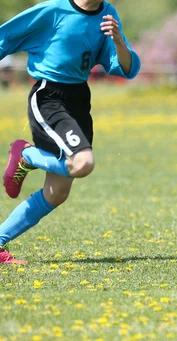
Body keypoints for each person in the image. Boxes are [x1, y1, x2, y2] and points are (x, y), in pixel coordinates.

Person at [0, 0, 140, 264]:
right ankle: (27, 155)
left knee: (57, 192)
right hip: (48, 96)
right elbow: (5, 37)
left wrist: (119, 40)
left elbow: (125, 67)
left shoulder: (108, 13)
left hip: (79, 100)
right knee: (83, 162)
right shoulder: (53, 10)